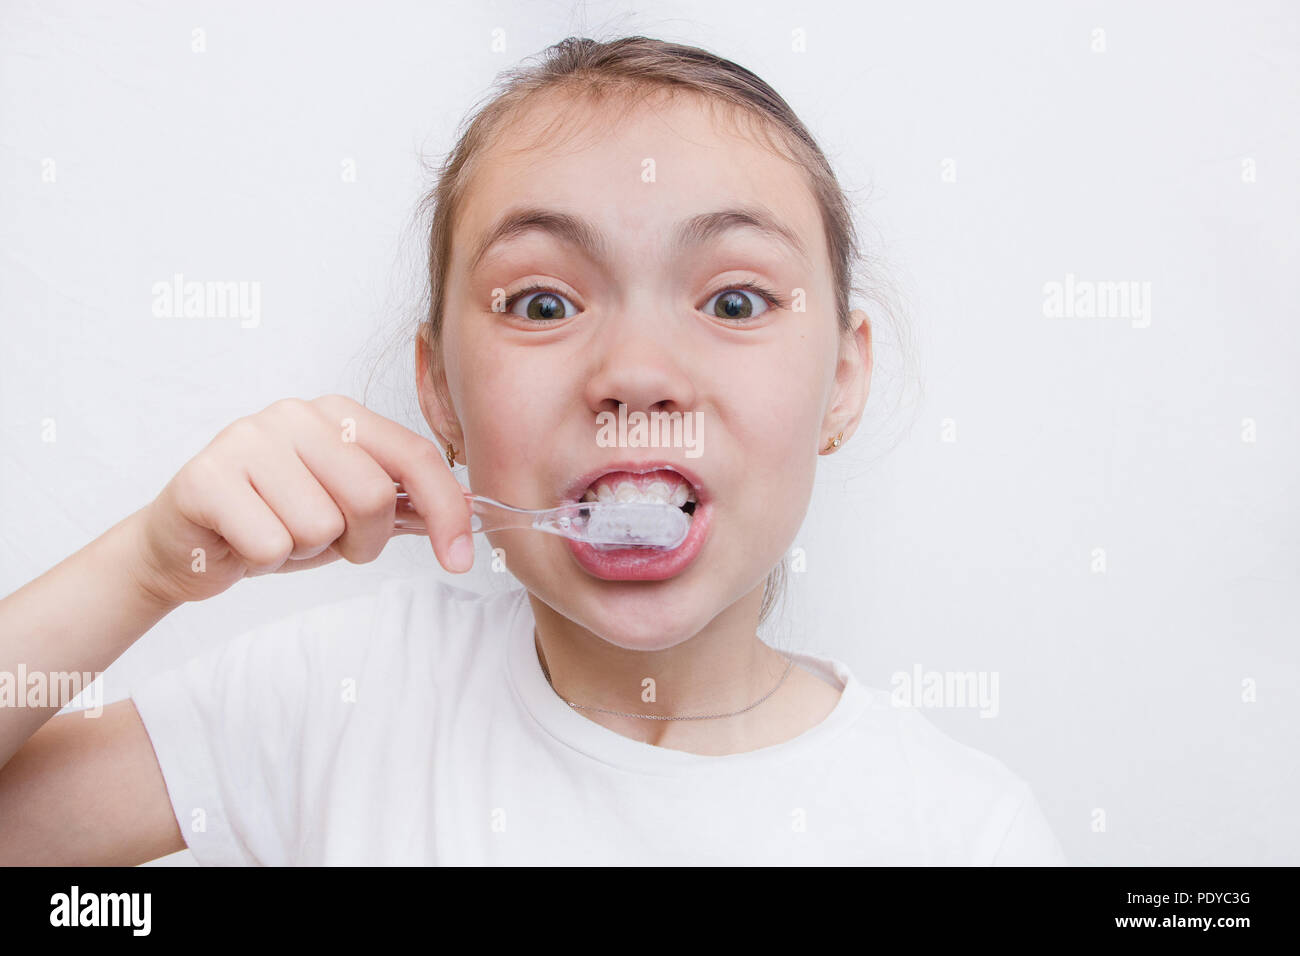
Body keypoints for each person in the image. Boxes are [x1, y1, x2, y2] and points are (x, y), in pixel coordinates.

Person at [0, 35, 1066, 865]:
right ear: (441, 396)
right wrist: (144, 565)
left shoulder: (960, 833)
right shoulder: (340, 697)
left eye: (734, 299)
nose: (636, 369)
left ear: (842, 379)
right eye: (544, 301)